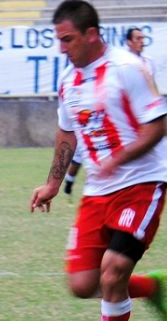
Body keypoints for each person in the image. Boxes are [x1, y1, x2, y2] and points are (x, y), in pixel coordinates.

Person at [30, 0, 167, 321]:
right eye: (59, 40)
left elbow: (158, 127)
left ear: (92, 34)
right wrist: (52, 183)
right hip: (98, 189)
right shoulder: (69, 82)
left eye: (68, 39)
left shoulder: (128, 69)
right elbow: (67, 133)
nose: (62, 48)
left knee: (113, 271)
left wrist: (120, 157)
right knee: (82, 285)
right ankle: (150, 287)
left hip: (143, 182)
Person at [63, 27, 157, 198]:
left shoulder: (148, 63)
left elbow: (151, 91)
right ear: (129, 42)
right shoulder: (118, 63)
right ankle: (70, 179)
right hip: (109, 115)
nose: (141, 41)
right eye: (138, 38)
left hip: (140, 115)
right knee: (86, 147)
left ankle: (134, 182)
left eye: (143, 38)